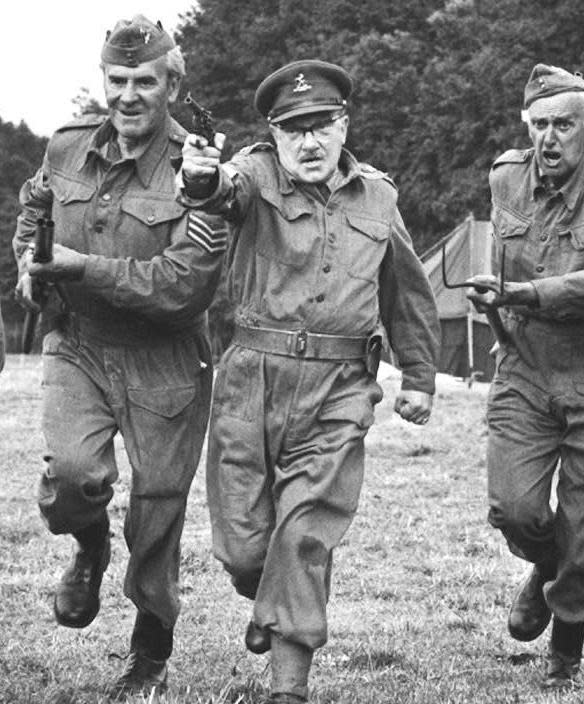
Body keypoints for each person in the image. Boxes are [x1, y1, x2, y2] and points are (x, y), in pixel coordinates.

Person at [177, 59, 439, 704]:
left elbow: (405, 289)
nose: (310, 141)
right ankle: (266, 598)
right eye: (294, 129)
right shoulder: (254, 175)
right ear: (274, 133)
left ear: (345, 124)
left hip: (340, 388)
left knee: (305, 532)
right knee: (244, 550)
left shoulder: (379, 196)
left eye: (322, 125)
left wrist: (421, 376)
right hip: (251, 383)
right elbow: (217, 191)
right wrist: (199, 175)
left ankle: (288, 688)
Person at [12, 16, 224, 699]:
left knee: (156, 515)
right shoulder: (69, 144)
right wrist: (29, 261)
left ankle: (149, 652)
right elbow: (34, 207)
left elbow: (183, 288)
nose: (128, 95)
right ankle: (88, 545)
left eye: (144, 81)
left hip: (165, 358)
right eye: (117, 80)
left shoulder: (199, 170)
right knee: (73, 477)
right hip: (78, 345)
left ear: (172, 84)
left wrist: (77, 266)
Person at [464, 64, 584, 690]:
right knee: (514, 508)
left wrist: (520, 292)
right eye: (539, 124)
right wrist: (491, 299)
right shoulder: (505, 177)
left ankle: (565, 658)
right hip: (526, 365)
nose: (549, 138)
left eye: (563, 125)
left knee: (583, 518)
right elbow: (499, 265)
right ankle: (548, 564)